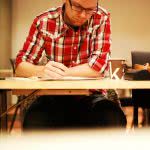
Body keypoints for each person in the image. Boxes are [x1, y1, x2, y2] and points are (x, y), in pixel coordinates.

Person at [15, 0, 126, 130]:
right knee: (34, 120)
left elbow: (98, 68)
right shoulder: (44, 21)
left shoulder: (101, 17)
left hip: (90, 96)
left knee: (111, 116)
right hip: (53, 96)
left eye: (90, 9)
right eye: (78, 7)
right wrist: (42, 70)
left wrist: (62, 73)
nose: (83, 15)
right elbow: (20, 67)